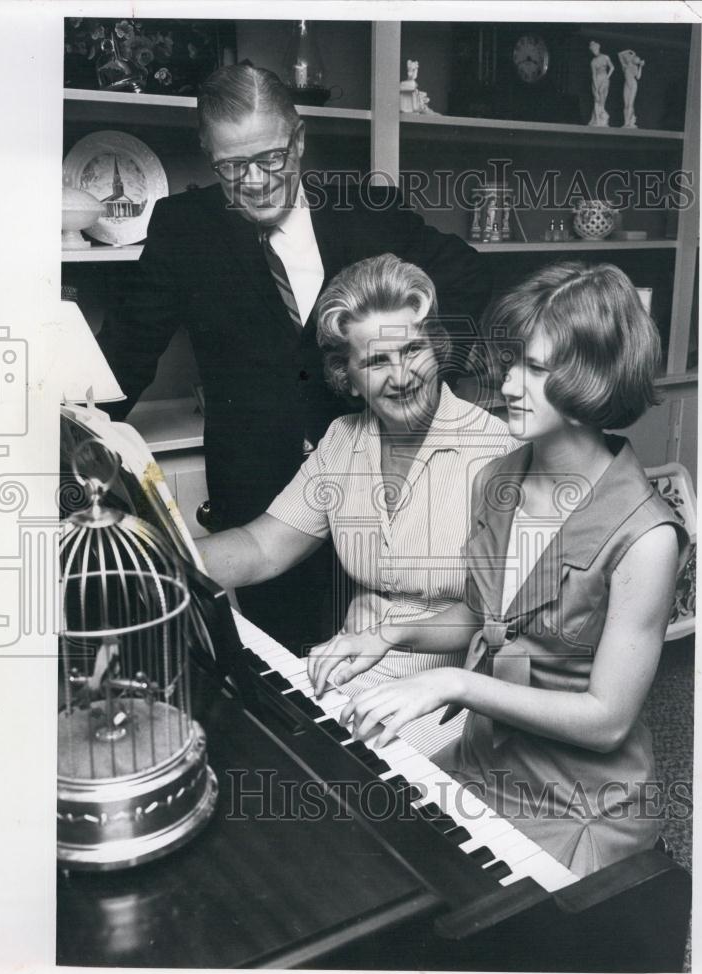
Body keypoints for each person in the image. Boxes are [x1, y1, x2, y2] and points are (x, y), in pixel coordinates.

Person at [97, 63, 497, 650]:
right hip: (260, 492)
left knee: (403, 639)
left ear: (300, 139)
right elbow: (126, 351)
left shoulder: (367, 208)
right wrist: (73, 439)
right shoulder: (184, 229)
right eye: (234, 166)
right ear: (209, 154)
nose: (256, 180)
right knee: (290, 668)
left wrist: (423, 378)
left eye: (272, 158)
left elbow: (468, 272)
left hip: (379, 473)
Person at [308, 261, 688, 876]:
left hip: (577, 802)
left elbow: (606, 721)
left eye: (535, 370)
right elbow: (488, 617)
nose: (509, 384)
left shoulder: (646, 537)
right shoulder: (499, 478)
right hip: (481, 762)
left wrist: (453, 684)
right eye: (513, 363)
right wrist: (386, 635)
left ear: (591, 378)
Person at [197, 254, 513, 756]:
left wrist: (389, 634)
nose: (401, 375)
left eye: (413, 349)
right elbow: (262, 545)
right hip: (350, 671)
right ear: (347, 374)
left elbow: (498, 617)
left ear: (438, 347)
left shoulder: (498, 452)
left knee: (350, 794)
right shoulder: (343, 440)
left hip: (450, 698)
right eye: (375, 361)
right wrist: (162, 556)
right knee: (249, 746)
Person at [588, 41, 614, 127]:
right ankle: (597, 120)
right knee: (597, 98)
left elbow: (612, 68)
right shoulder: (593, 61)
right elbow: (593, 75)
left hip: (605, 78)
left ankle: (600, 118)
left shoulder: (605, 57)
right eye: (592, 50)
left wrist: (607, 78)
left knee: (603, 99)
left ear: (598, 48)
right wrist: (595, 87)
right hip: (597, 80)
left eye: (594, 49)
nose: (594, 51)